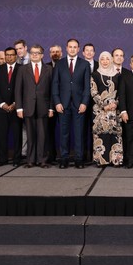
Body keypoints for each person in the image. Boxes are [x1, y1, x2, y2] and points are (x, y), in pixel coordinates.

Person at [52, 38, 91, 169]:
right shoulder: (59, 64)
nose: (73, 49)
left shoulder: (84, 64)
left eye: (75, 47)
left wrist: (84, 102)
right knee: (64, 133)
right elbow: (55, 84)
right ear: (66, 48)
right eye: (70, 47)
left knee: (79, 133)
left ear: (79, 49)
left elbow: (87, 86)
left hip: (79, 104)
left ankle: (79, 159)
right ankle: (64, 158)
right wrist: (57, 102)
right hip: (63, 104)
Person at [16, 44, 54, 168]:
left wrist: (51, 107)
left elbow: (52, 90)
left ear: (42, 55)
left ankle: (42, 160)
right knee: (30, 135)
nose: (34, 55)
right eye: (32, 52)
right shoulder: (22, 69)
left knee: (43, 136)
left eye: (37, 53)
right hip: (28, 107)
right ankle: (30, 160)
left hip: (44, 107)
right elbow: (18, 90)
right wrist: (19, 108)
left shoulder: (49, 69)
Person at [90, 52, 123, 167]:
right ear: (99, 61)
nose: (105, 61)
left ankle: (116, 159)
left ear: (111, 60)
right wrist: (104, 105)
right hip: (100, 110)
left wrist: (116, 103)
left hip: (114, 110)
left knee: (114, 134)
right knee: (100, 134)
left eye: (107, 59)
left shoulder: (117, 75)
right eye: (102, 59)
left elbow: (121, 92)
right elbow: (93, 92)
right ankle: (101, 160)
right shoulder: (94, 74)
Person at [0, 47, 22, 166]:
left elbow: (23, 89)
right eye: (7, 55)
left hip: (16, 108)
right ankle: (2, 159)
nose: (9, 57)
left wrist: (15, 103)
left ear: (16, 56)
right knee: (1, 135)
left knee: (17, 135)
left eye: (12, 55)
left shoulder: (22, 69)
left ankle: (17, 159)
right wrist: (2, 104)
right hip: (1, 109)